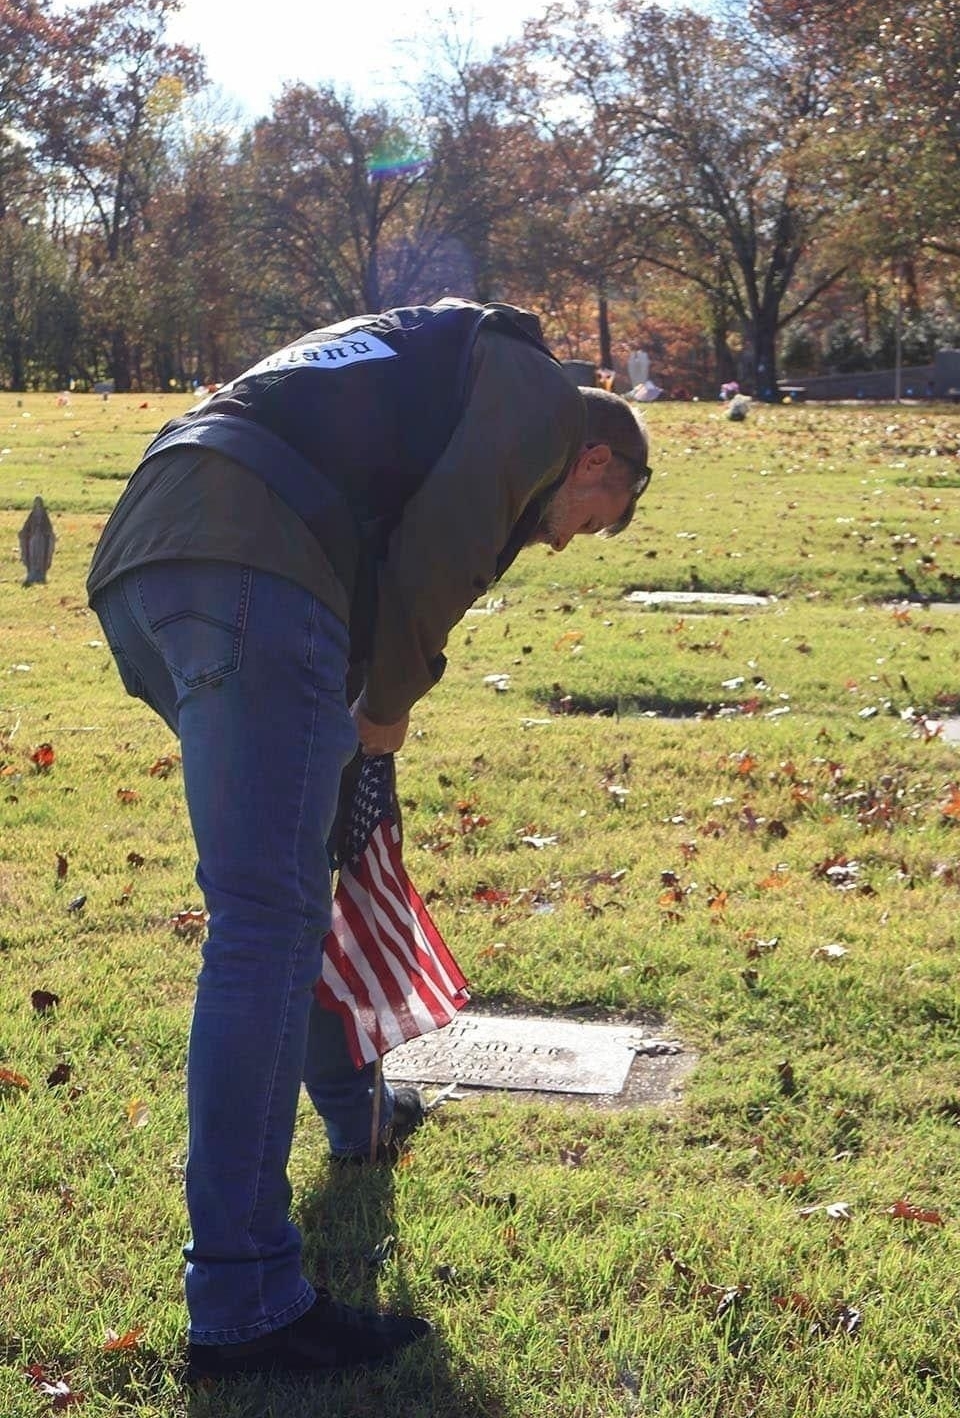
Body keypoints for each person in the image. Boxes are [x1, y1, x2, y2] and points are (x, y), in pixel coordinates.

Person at [86, 297, 651, 1385]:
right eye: (587, 515)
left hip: (158, 555)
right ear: (596, 458)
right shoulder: (535, 395)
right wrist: (385, 713)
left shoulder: (434, 358)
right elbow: (434, 562)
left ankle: (356, 1113)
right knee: (265, 924)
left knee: (298, 881)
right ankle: (245, 1301)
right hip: (253, 560)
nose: (558, 535)